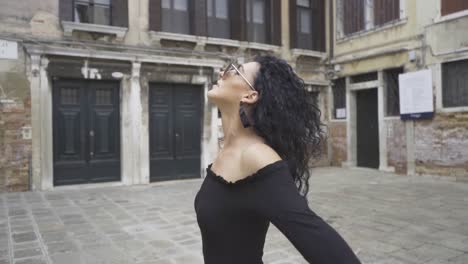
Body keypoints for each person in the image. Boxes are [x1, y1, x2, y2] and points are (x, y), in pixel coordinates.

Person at [194, 55, 362, 264]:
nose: (222, 73)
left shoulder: (256, 156)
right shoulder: (228, 148)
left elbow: (327, 248)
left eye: (235, 71)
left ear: (250, 95)